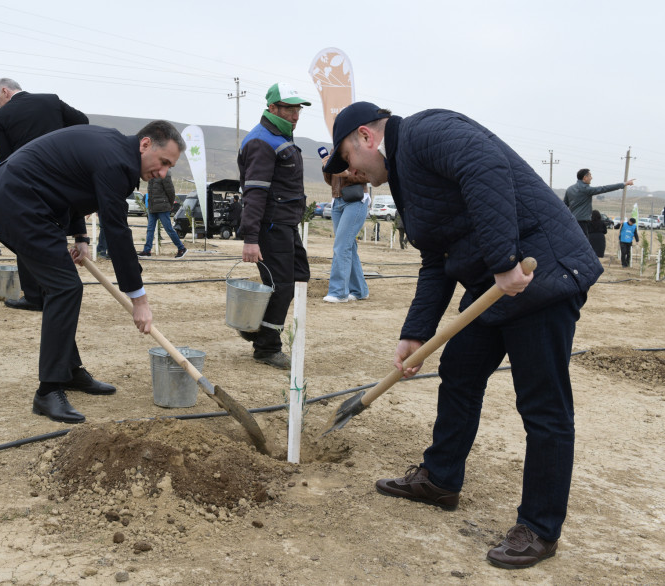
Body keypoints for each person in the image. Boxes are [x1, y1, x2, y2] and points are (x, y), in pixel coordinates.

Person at [324, 102, 603, 569]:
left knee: (543, 405)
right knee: (459, 370)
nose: (350, 172)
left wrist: (502, 260)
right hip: (497, 289)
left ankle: (539, 527)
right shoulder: (406, 182)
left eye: (347, 159)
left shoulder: (428, 130)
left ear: (365, 138)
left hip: (542, 276)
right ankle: (441, 478)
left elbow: (485, 167)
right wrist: (415, 333)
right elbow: (436, 259)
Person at [0, 121, 185, 424]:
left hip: (27, 201)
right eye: (163, 163)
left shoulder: (113, 149)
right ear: (145, 145)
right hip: (19, 203)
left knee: (61, 287)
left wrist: (80, 237)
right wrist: (139, 298)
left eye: (168, 168)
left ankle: (68, 371)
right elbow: (116, 229)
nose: (162, 173)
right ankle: (48, 390)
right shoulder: (117, 161)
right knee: (65, 288)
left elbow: (73, 186)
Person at [0, 77, 90, 312]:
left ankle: (35, 296)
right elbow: (82, 121)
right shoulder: (50, 101)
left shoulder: (1, 117)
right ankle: (56, 290)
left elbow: (6, 159)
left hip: (29, 183)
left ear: (5, 91)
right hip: (61, 175)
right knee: (55, 232)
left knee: (25, 236)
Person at [237, 82, 312, 370]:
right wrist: (251, 238)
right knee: (281, 284)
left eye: (298, 109)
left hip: (285, 224)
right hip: (270, 226)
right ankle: (266, 347)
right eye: (289, 108)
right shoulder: (262, 141)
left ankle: (254, 326)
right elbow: (254, 192)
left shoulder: (280, 136)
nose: (295, 114)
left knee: (298, 277)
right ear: (272, 108)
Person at [321, 163, 368, 302]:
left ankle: (338, 292)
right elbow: (331, 181)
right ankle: (360, 290)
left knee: (341, 246)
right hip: (337, 201)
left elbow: (370, 176)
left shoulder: (358, 150)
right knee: (349, 246)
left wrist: (347, 175)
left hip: (355, 200)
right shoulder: (334, 152)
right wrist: (326, 168)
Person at [564, 169, 634, 235]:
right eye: (590, 176)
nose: (591, 178)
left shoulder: (569, 189)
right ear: (585, 178)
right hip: (582, 222)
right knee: (583, 245)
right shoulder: (586, 189)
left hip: (572, 221)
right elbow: (604, 188)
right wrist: (624, 184)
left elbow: (564, 205)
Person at [138, 170, 186, 258]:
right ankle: (147, 251)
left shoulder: (165, 174)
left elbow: (171, 191)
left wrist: (170, 205)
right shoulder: (151, 174)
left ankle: (181, 248)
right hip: (152, 207)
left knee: (169, 229)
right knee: (150, 229)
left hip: (163, 208)